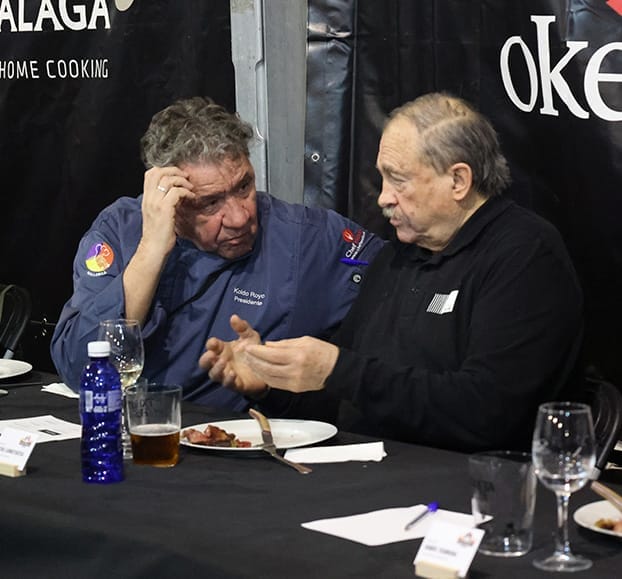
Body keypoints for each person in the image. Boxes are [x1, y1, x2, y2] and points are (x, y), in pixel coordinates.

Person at [200, 92, 584, 452]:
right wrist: (271, 383)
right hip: (367, 470)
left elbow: (487, 411)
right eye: (383, 178)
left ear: (458, 181)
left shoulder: (525, 255)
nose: (383, 197)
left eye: (398, 180)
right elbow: (346, 399)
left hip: (468, 489)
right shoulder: (398, 257)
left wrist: (339, 369)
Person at [51, 97, 384, 410]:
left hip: (233, 451)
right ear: (169, 199)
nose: (240, 217)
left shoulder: (304, 238)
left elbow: (404, 293)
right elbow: (81, 367)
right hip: (131, 436)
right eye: (209, 203)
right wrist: (151, 250)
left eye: (244, 187)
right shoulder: (120, 231)